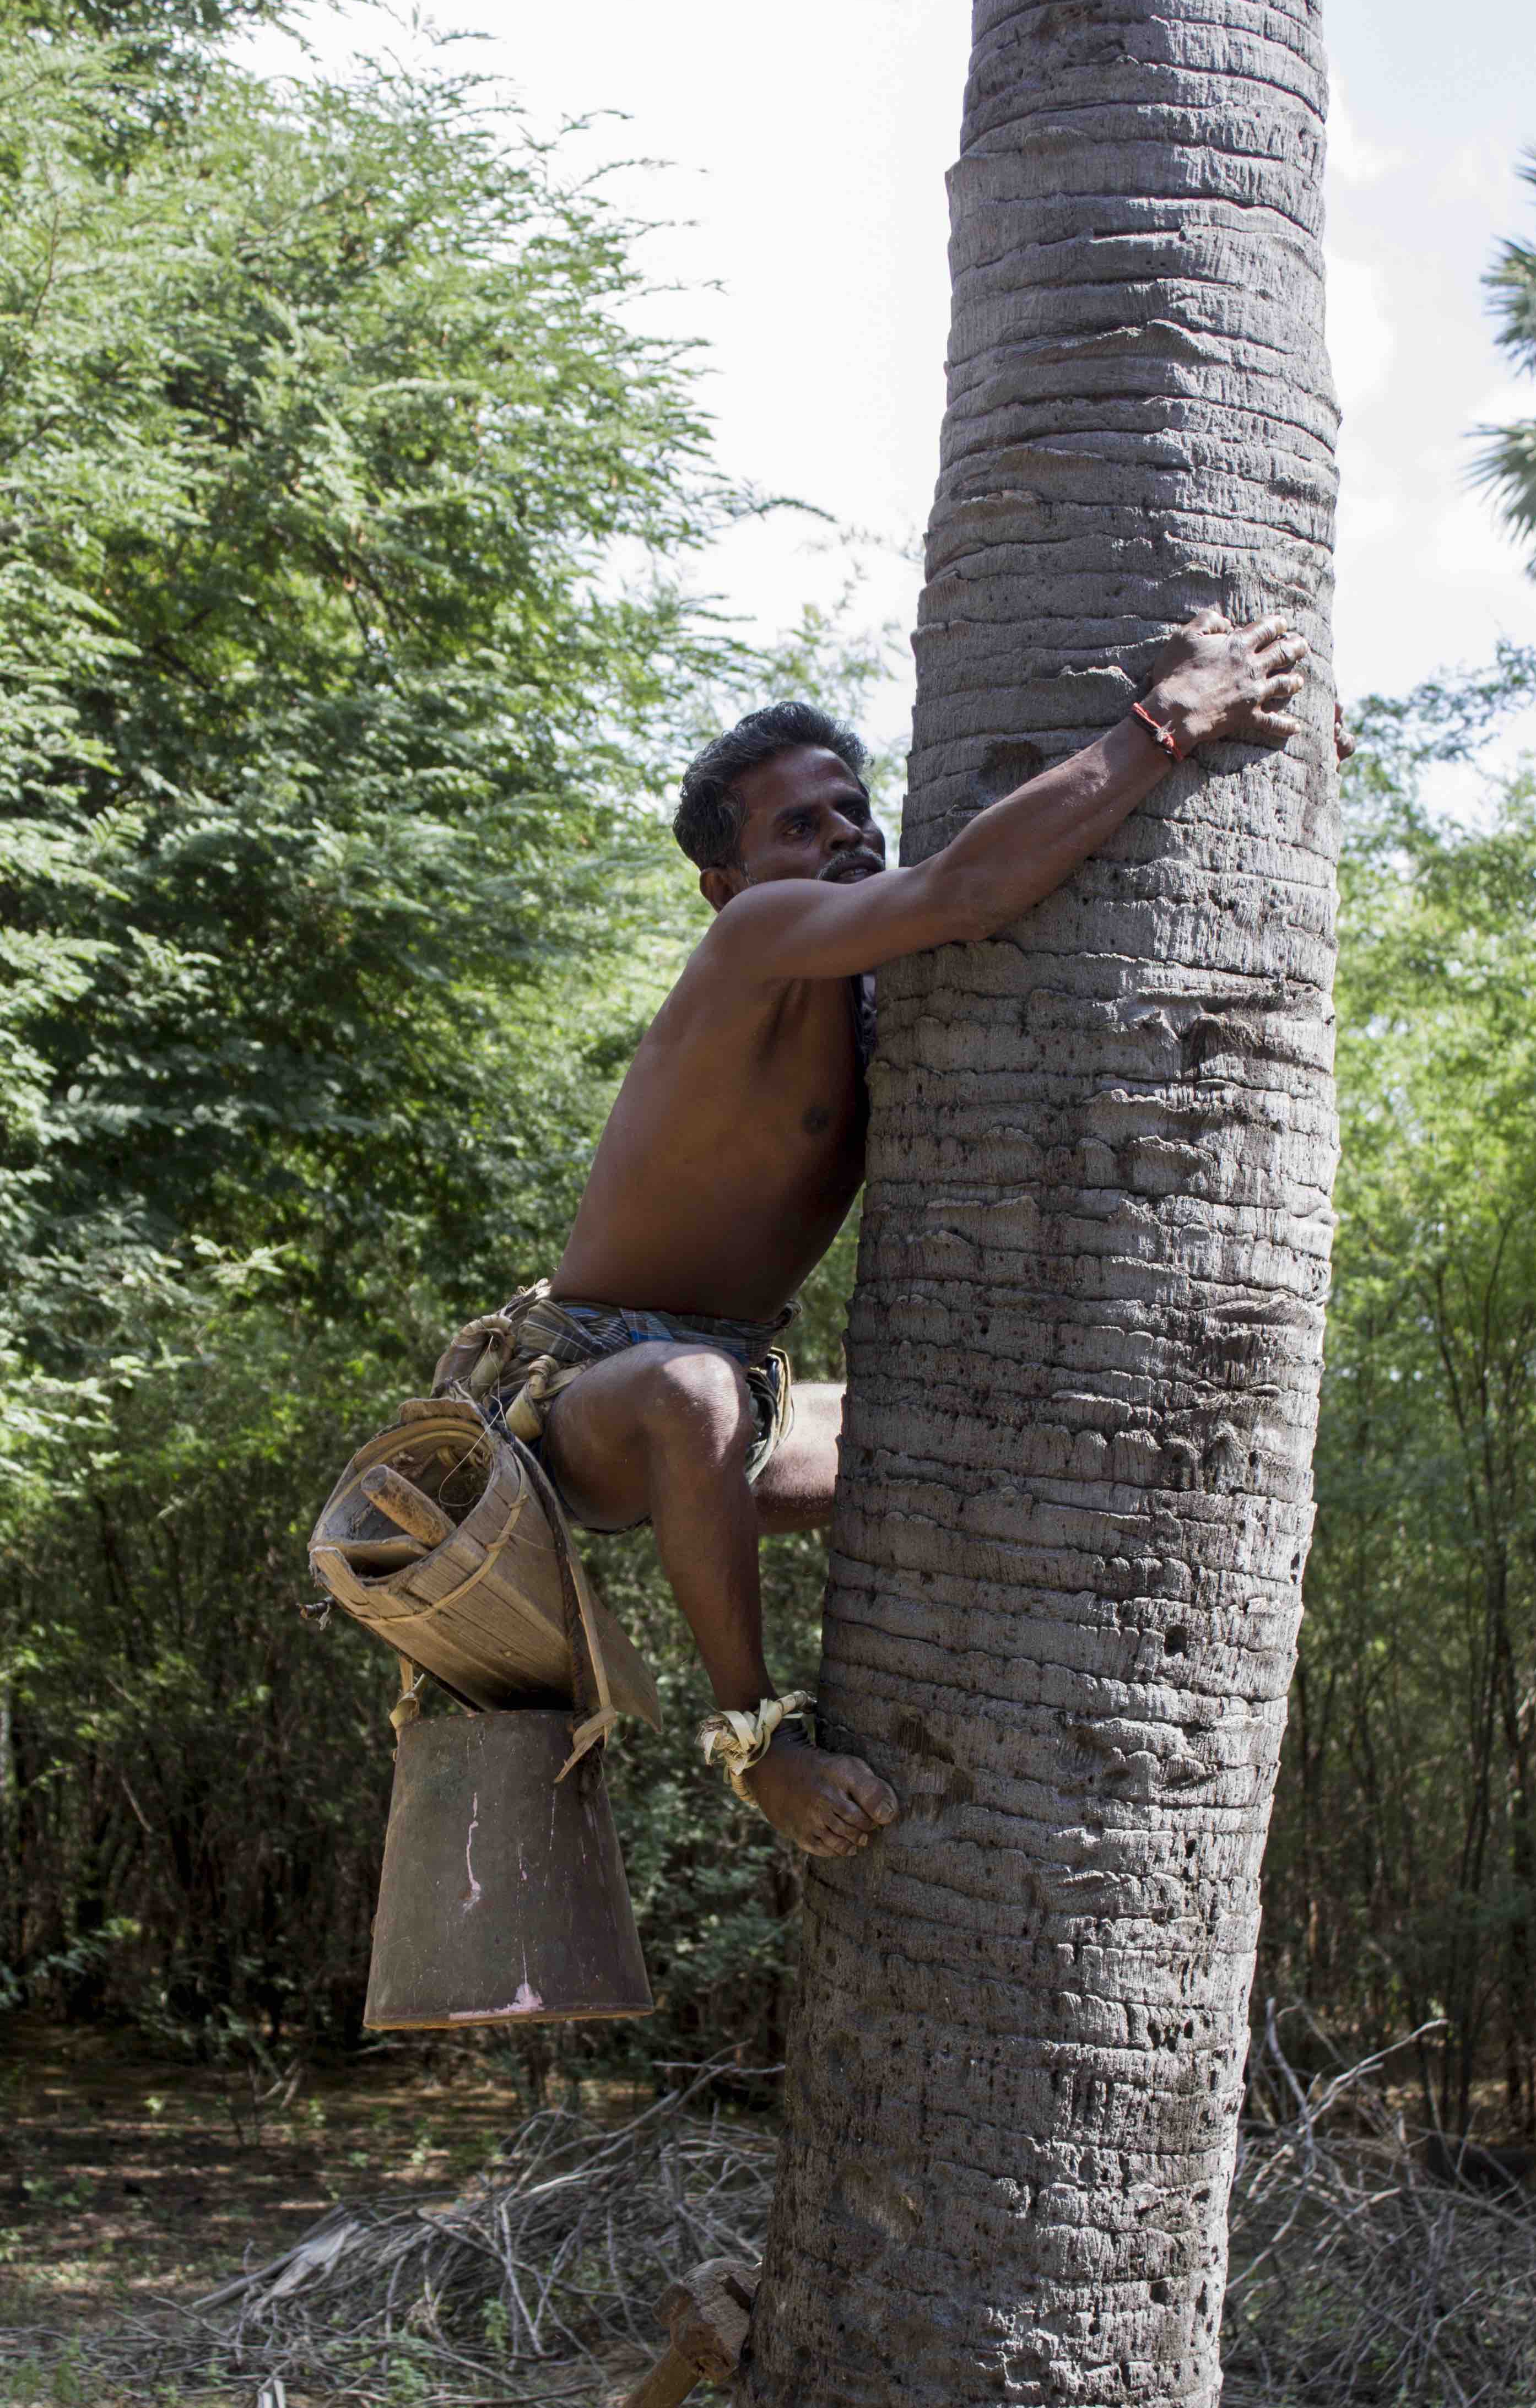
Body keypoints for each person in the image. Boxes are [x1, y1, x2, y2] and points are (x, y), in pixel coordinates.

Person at [439, 609, 1334, 1859]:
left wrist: (1280, 771)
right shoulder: (753, 941)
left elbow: (1000, 882)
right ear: (726, 884)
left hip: (745, 1403)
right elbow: (970, 886)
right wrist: (1172, 719)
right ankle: (757, 1743)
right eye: (796, 828)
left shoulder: (888, 990)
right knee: (691, 1390)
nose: (843, 837)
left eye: (851, 812)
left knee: (977, 1429)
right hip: (585, 1392)